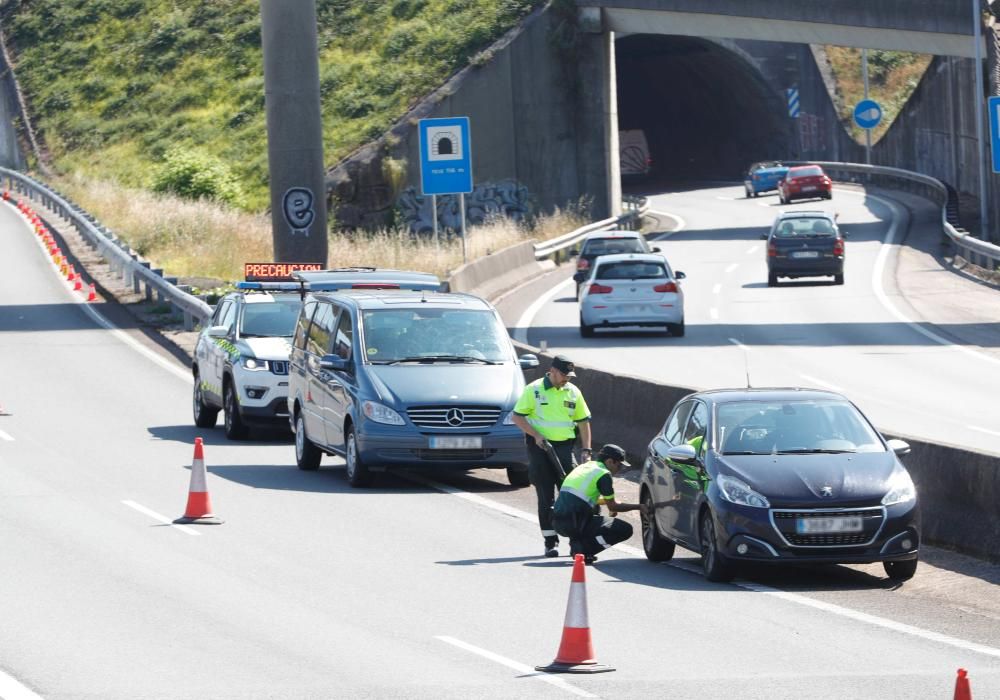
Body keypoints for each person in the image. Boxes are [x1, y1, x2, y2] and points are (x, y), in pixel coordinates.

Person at [511, 355, 592, 558]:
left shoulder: (573, 392)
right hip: (540, 449)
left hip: (565, 449)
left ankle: (577, 542)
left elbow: (583, 422)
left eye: (570, 376)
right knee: (545, 497)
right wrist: (536, 435)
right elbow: (517, 416)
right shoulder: (534, 390)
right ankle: (550, 541)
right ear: (553, 371)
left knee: (573, 496)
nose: (567, 379)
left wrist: (586, 450)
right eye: (565, 375)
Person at [552, 444, 647, 564]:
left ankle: (577, 544)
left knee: (593, 509)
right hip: (574, 523)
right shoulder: (603, 474)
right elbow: (613, 506)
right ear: (609, 461)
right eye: (619, 465)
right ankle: (583, 550)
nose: (620, 469)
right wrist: (639, 507)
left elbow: (585, 497)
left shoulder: (586, 466)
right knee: (624, 529)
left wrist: (608, 504)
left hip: (558, 520)